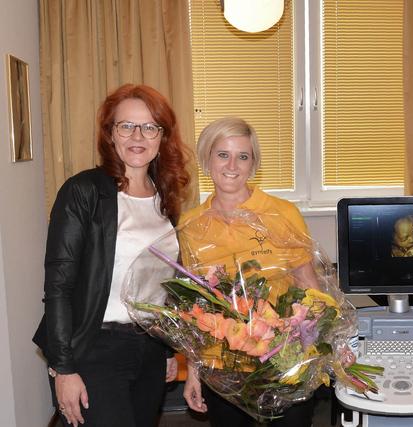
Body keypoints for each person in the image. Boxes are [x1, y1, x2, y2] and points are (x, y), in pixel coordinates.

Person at [33, 84, 192, 427]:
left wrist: (167, 351)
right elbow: (58, 287)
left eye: (150, 127)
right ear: (110, 134)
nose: (138, 136)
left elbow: (162, 285)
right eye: (126, 126)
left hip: (148, 346)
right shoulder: (83, 191)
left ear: (162, 137)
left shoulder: (164, 198)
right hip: (93, 348)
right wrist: (64, 367)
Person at [179, 117, 316, 427]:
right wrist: (194, 371)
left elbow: (309, 287)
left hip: (282, 358)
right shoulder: (191, 225)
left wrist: (320, 351)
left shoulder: (282, 213)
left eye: (243, 156)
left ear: (253, 163)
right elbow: (194, 306)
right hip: (222, 364)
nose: (232, 165)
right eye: (222, 154)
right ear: (206, 159)